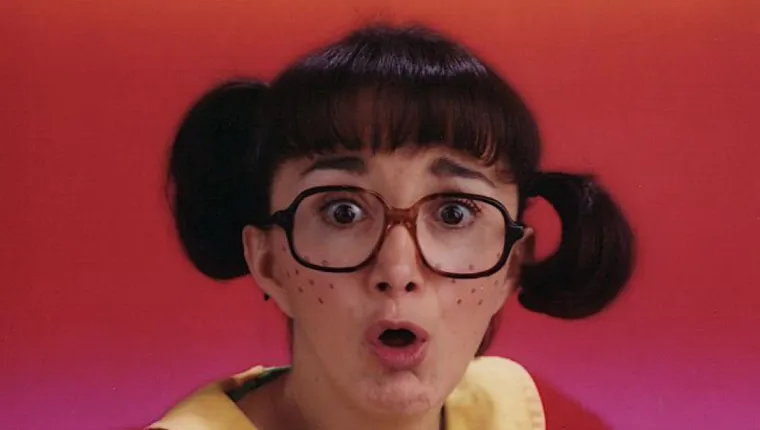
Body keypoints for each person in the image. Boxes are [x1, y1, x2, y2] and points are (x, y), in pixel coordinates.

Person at [150, 24, 634, 430]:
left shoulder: (531, 415)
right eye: (343, 212)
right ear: (269, 262)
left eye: (454, 213)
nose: (398, 270)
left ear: (510, 267)